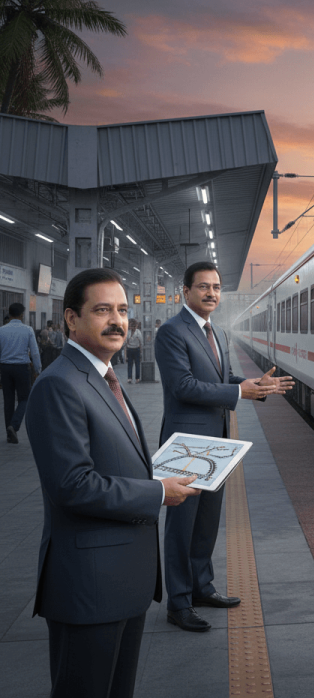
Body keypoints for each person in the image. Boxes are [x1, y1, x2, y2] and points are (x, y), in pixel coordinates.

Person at [24, 268, 199, 698]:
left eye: (122, 309)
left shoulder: (104, 378)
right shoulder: (59, 385)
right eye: (102, 310)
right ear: (71, 318)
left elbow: (113, 462)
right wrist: (158, 492)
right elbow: (72, 485)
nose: (117, 320)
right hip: (89, 586)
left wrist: (159, 472)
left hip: (124, 581)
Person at [155, 261, 294, 633]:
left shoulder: (216, 332)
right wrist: (237, 391)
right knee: (181, 525)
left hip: (216, 442)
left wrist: (253, 385)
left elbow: (220, 378)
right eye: (203, 287)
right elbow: (183, 386)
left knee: (206, 522)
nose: (211, 293)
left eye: (216, 287)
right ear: (185, 291)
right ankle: (179, 602)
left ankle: (202, 587)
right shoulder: (171, 332)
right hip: (186, 444)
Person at [0, 302, 42, 443]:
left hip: (5, 368)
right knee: (25, 398)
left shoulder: (1, 330)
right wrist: (38, 370)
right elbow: (35, 353)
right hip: (22, 368)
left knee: (8, 400)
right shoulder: (28, 330)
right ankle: (14, 425)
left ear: (10, 314)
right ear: (22, 314)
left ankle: (9, 433)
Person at [126, 319, 142, 384]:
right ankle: (129, 378)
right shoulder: (128, 332)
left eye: (133, 326)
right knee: (130, 364)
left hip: (136, 349)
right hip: (129, 349)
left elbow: (141, 341)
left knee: (137, 364)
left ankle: (137, 378)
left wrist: (141, 351)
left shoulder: (138, 332)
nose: (131, 327)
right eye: (130, 326)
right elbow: (125, 341)